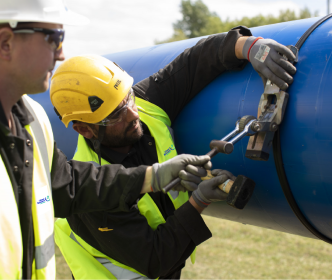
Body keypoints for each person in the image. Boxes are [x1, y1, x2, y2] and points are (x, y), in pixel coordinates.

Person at [51, 25, 297, 280]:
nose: (133, 113)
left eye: (127, 98)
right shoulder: (91, 191)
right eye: (116, 114)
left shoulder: (145, 102)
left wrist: (249, 46)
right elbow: (155, 258)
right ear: (85, 130)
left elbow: (195, 61)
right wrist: (198, 200)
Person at [0, 1, 213, 279]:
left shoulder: (32, 118)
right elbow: (155, 257)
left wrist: (153, 176)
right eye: (54, 38)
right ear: (6, 42)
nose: (61, 53)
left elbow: (70, 184)